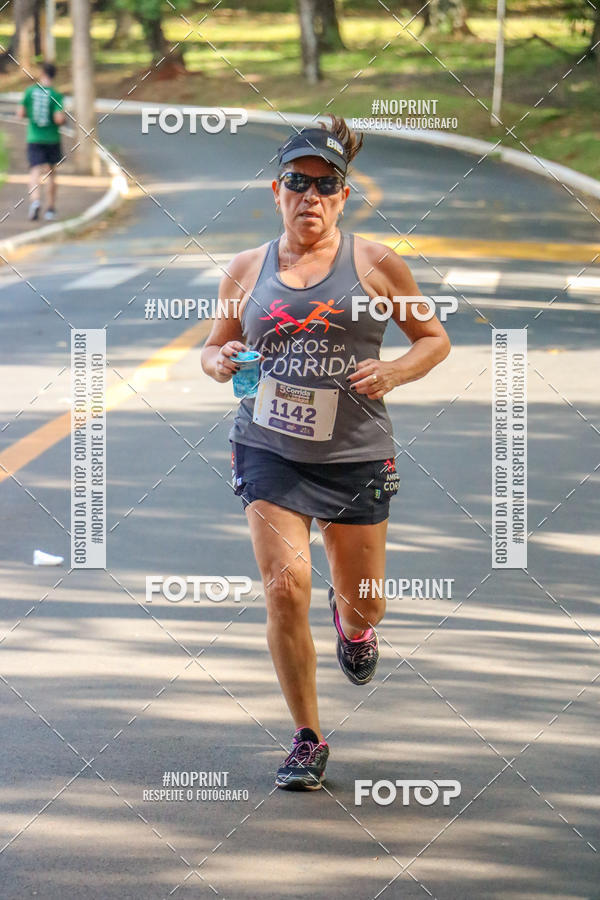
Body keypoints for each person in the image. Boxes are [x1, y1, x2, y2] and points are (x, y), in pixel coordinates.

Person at [201, 115, 451, 791]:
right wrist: (219, 360)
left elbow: (434, 339)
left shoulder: (376, 264)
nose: (309, 196)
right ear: (275, 192)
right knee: (285, 588)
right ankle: (307, 737)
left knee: (364, 600)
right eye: (297, 182)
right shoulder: (246, 269)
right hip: (267, 448)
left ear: (343, 196)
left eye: (324, 185)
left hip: (355, 455)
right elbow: (214, 347)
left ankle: (356, 627)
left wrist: (395, 371)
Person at [18, 62, 66, 222]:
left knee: (35, 171)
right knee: (51, 173)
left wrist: (33, 115)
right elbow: (58, 119)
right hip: (52, 139)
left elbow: (20, 113)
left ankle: (35, 201)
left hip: (34, 138)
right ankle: (50, 209)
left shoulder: (30, 91)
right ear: (54, 75)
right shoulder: (56, 95)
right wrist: (62, 119)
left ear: (42, 73)